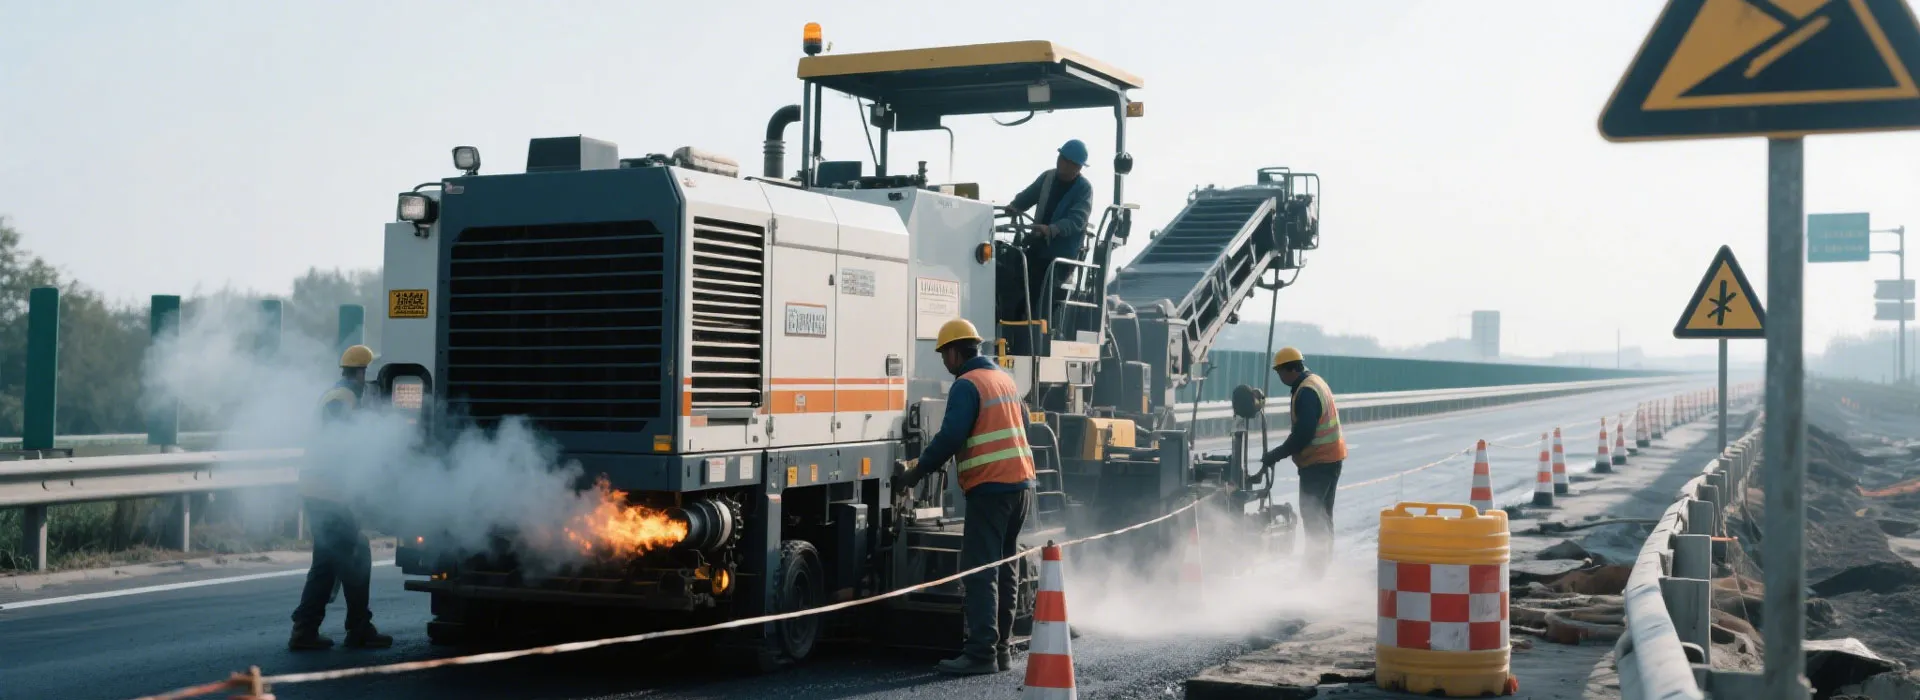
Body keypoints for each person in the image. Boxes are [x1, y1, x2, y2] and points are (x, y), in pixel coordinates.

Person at [896, 319, 1038, 675]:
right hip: (1020, 486)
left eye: (944, 354)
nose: (945, 362)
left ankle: (980, 653)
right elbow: (1025, 425)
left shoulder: (966, 384)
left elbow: (950, 437)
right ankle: (1001, 649)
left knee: (980, 569)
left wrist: (916, 472)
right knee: (1006, 566)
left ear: (956, 352)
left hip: (990, 489)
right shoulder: (1004, 379)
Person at [289, 344, 393, 651]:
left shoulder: (343, 396)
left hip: (323, 491)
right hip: (326, 493)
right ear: (363, 373)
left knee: (335, 559)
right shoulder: (342, 399)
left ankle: (313, 628)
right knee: (348, 558)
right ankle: (349, 628)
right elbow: (340, 444)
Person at [1258, 347, 1346, 579]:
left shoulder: (1306, 392)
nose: (1280, 377)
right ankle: (1322, 568)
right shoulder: (1315, 381)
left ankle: (1313, 574)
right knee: (1323, 516)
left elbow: (1303, 434)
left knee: (1314, 516)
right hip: (1331, 458)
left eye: (1280, 372)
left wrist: (1275, 455)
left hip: (1318, 462)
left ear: (1290, 370)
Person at [1006, 139, 1094, 321]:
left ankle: (1034, 325)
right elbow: (1028, 196)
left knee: (1041, 292)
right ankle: (1013, 320)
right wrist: (1014, 206)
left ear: (1077, 167)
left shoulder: (1084, 189)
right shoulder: (1047, 178)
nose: (1062, 163)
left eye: (1068, 161)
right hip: (1038, 248)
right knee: (1011, 274)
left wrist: (1051, 229)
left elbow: (1077, 220)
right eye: (1061, 158)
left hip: (1061, 257)